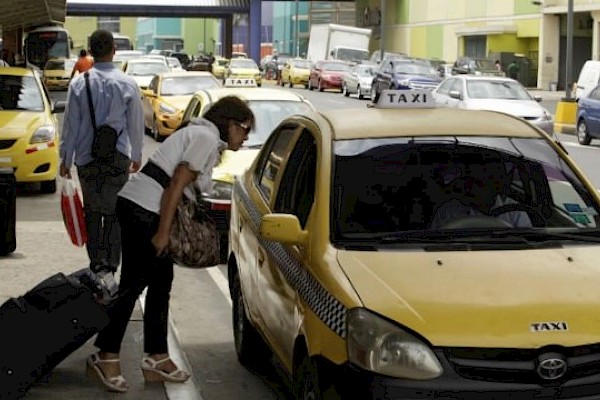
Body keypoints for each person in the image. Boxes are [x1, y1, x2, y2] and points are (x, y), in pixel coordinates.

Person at [85, 95, 255, 393]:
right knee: (134, 285)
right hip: (144, 210)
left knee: (161, 281)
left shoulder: (201, 135)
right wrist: (163, 233)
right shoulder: (205, 137)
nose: (246, 136)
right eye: (244, 128)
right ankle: (105, 354)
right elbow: (176, 183)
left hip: (141, 206)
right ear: (229, 124)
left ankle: (157, 356)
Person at [59, 30, 144, 275]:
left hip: (87, 158)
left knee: (92, 212)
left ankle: (96, 263)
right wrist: (136, 155)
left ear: (91, 51)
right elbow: (135, 123)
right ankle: (112, 265)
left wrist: (66, 159)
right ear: (113, 50)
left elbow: (70, 125)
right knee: (116, 212)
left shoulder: (78, 83)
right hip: (118, 158)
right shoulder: (127, 83)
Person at [430, 163, 532, 230]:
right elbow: (432, 244)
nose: (483, 186)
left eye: (490, 180)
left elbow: (528, 245)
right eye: (477, 181)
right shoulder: (449, 211)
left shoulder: (515, 211)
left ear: (499, 185)